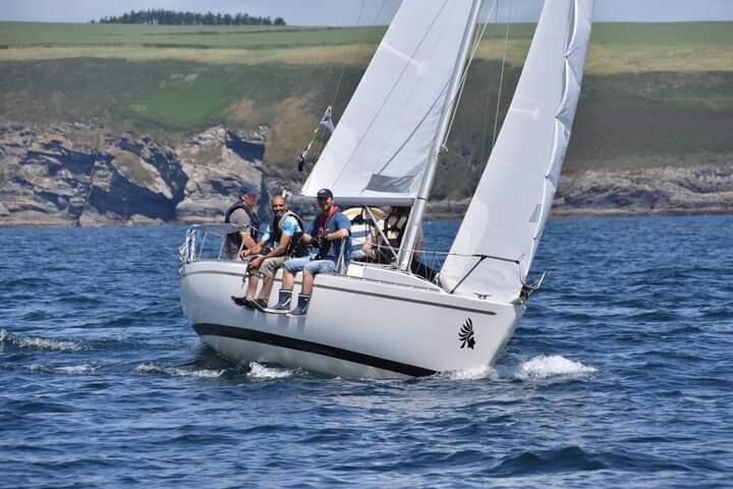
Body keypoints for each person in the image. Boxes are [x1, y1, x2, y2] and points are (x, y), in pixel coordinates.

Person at [272, 188, 351, 316]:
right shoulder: (319, 218)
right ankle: (284, 303)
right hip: (321, 257)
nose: (323, 202)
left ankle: (302, 308)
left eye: (325, 199)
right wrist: (311, 239)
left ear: (332, 200)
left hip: (335, 260)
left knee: (309, 267)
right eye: (320, 199)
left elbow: (344, 232)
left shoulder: (339, 217)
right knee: (288, 265)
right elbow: (306, 236)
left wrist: (327, 237)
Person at [231, 195, 308, 310]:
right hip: (282, 254)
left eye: (280, 205)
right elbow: (261, 244)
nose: (278, 208)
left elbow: (282, 247)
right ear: (271, 207)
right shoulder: (274, 222)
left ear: (285, 206)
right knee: (253, 260)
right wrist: (250, 251)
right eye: (275, 206)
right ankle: (249, 298)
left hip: (293, 256)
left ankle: (264, 300)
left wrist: (262, 258)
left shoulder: (289, 221)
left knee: (267, 263)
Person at [224, 183, 262, 260]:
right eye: (252, 195)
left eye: (256, 195)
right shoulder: (241, 214)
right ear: (243, 197)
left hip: (247, 252)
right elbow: (246, 238)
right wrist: (260, 251)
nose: (255, 198)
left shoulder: (250, 213)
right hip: (238, 255)